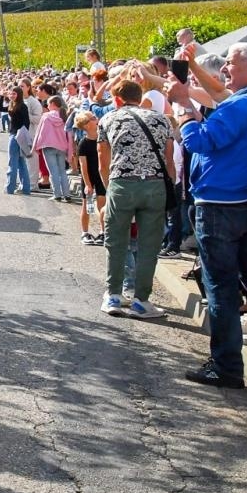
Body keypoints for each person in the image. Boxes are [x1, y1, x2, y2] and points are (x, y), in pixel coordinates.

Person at [167, 43, 247, 387]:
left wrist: (185, 110)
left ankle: (226, 365)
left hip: (220, 205)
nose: (225, 70)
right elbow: (219, 98)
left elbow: (201, 142)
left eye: (231, 64)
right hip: (245, 201)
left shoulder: (242, 104)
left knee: (220, 287)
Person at [97, 80, 173, 319]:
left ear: (117, 99)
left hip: (122, 182)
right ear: (140, 97)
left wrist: (111, 186)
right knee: (149, 245)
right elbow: (169, 159)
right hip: (155, 183)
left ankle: (113, 295)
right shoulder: (161, 119)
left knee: (116, 240)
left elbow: (102, 159)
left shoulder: (109, 119)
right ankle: (142, 299)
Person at [73, 109, 106, 244]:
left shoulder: (103, 139)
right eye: (92, 118)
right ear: (86, 125)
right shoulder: (84, 143)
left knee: (102, 204)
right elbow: (83, 166)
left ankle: (103, 231)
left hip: (101, 175)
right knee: (87, 205)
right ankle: (85, 232)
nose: (96, 118)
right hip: (89, 177)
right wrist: (87, 184)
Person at [33, 96, 74, 202]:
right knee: (62, 171)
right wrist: (70, 152)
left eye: (49, 104)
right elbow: (69, 135)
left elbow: (40, 133)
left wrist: (36, 146)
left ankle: (57, 194)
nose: (47, 106)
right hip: (62, 147)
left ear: (53, 104)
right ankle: (67, 194)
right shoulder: (64, 117)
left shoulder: (46, 116)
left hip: (48, 146)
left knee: (53, 172)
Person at [5, 87, 32, 195]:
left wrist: (20, 136)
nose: (12, 95)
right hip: (17, 135)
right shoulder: (14, 104)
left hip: (16, 136)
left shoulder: (22, 106)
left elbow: (26, 123)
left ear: (19, 94)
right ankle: (25, 188)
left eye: (14, 94)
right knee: (21, 163)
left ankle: (10, 187)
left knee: (13, 163)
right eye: (11, 94)